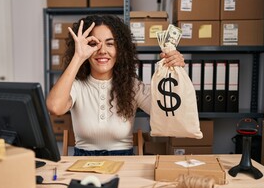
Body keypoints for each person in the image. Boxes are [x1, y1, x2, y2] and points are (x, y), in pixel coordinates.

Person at [46, 15, 185, 156]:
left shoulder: (131, 86)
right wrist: (79, 56)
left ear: (120, 50)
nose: (102, 51)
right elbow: (54, 107)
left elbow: (168, 112)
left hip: (124, 164)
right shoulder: (77, 86)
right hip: (83, 166)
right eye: (94, 44)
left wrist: (175, 70)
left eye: (110, 44)